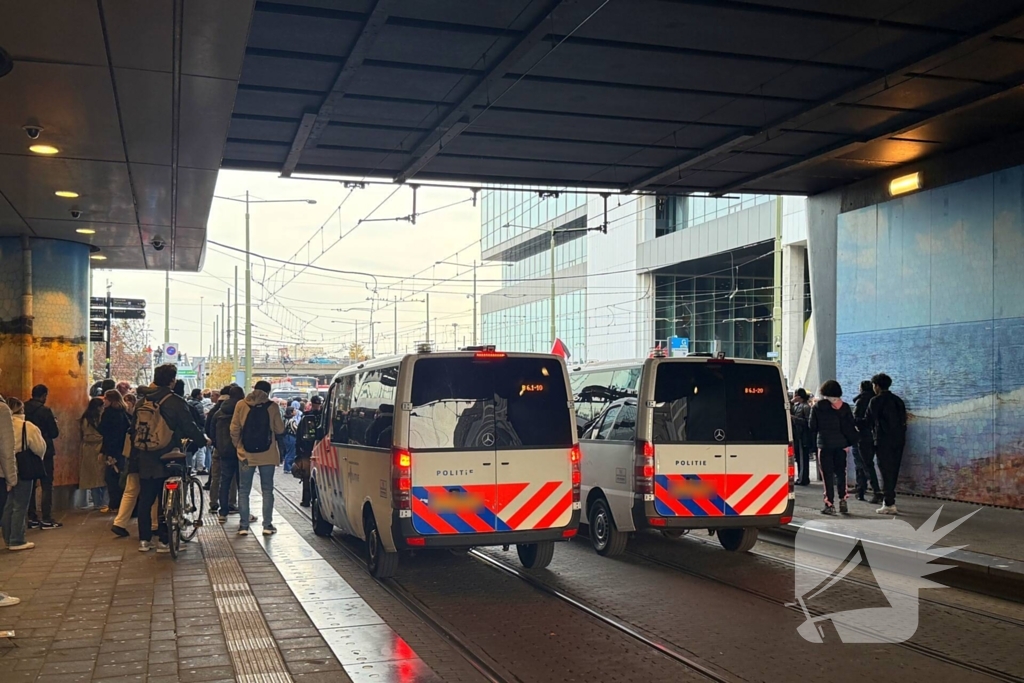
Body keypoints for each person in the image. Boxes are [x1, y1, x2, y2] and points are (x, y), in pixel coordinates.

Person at [133, 364, 207, 552]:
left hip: (146, 454)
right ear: (172, 380)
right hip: (169, 454)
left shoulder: (142, 402)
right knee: (167, 495)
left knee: (146, 498)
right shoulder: (175, 401)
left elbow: (133, 427)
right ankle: (165, 541)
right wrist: (202, 440)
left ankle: (144, 540)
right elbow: (189, 426)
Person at [230, 380, 285, 536]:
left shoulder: (241, 405)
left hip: (246, 455)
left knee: (244, 490)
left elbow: (234, 429)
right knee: (267, 490)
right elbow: (280, 429)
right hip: (267, 455)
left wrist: (238, 446)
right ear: (268, 391)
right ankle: (267, 525)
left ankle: (243, 526)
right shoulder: (272, 406)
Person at [809, 380, 859, 516]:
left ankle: (829, 504)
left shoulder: (818, 406)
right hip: (841, 445)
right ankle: (843, 500)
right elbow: (851, 424)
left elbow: (812, 426)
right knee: (841, 473)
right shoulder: (845, 407)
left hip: (824, 445)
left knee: (827, 476)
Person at [4, 398, 46, 551]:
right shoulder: (26, 426)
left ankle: (7, 537)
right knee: (20, 505)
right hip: (23, 466)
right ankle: (17, 539)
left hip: (4, 467)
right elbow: (39, 447)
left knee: (8, 504)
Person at [868, 373, 907, 515]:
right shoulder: (898, 401)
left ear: (877, 386)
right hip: (899, 440)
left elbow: (869, 421)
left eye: (874, 385)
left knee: (885, 471)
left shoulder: (875, 401)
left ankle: (889, 503)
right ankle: (889, 500)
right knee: (894, 470)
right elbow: (903, 421)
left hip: (883, 441)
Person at [25, 384, 61, 529]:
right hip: (45, 450)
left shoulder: (24, 408)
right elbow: (54, 433)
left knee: (31, 484)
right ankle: (46, 517)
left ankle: (31, 516)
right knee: (47, 484)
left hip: (28, 451)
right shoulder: (45, 411)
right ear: (44, 395)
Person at [215, 385, 245, 523]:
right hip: (241, 451)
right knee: (242, 483)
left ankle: (223, 512)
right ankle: (244, 514)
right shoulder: (243, 410)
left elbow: (210, 429)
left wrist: (219, 445)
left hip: (224, 451)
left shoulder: (219, 411)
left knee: (225, 481)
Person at [99, 390, 131, 515]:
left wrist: (107, 452)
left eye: (106, 398)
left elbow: (106, 432)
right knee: (118, 477)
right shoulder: (123, 412)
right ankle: (118, 504)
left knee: (111, 477)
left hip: (113, 451)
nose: (104, 401)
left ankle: (114, 504)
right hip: (121, 450)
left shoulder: (110, 414)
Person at [852, 380, 882, 504]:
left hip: (862, 436)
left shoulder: (861, 400)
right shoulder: (877, 400)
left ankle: (875, 491)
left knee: (864, 464)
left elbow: (857, 419)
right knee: (865, 463)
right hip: (876, 437)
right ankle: (861, 489)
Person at [293, 395, 323, 507]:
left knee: (306, 477)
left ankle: (306, 500)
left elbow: (299, 436)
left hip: (307, 451)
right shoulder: (324, 417)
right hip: (321, 450)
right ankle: (317, 499)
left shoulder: (306, 417)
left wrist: (298, 453)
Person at [78, 397, 107, 511]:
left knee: (95, 478)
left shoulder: (86, 418)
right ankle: (101, 503)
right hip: (97, 448)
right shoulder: (96, 418)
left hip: (89, 449)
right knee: (100, 477)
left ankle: (97, 502)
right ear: (99, 407)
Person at [790, 389, 812, 486]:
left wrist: (794, 418)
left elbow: (807, 422)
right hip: (797, 435)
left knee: (803, 458)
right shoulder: (796, 406)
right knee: (799, 458)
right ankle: (800, 476)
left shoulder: (806, 407)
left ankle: (803, 478)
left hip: (803, 435)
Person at [186, 388, 208, 475]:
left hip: (189, 429)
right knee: (201, 449)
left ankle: (190, 467)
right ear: (198, 395)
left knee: (189, 450)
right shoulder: (198, 405)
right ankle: (200, 467)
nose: (202, 396)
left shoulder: (188, 403)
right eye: (201, 394)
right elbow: (201, 419)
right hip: (198, 429)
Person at [282, 407, 298, 473]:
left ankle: (286, 467)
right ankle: (288, 468)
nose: (295, 411)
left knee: (288, 451)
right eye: (294, 410)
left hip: (286, 437)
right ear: (291, 412)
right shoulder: (292, 420)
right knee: (291, 452)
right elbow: (295, 429)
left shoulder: (284, 419)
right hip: (291, 437)